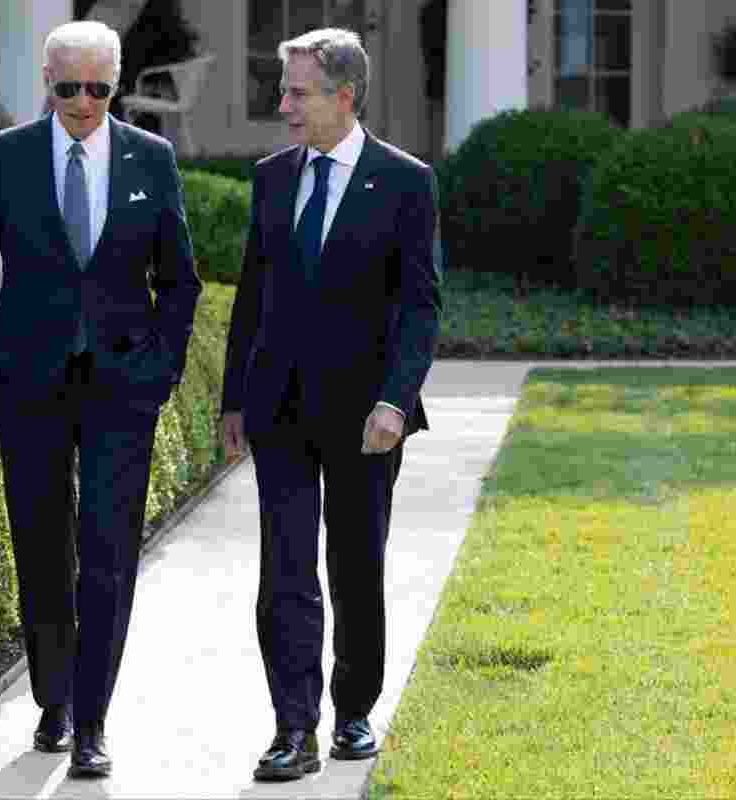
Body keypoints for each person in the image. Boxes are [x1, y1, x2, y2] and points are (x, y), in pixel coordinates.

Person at [0, 19, 201, 780]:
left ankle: (92, 721)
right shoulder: (7, 157)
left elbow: (179, 281)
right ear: (48, 84)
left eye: (99, 87)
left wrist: (158, 371)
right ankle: (52, 699)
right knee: (40, 542)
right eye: (70, 88)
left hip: (121, 388)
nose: (85, 102)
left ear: (116, 85)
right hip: (29, 385)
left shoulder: (150, 159)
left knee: (108, 550)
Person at [219, 27, 441, 781]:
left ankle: (351, 713)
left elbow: (420, 305)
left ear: (344, 97)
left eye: (297, 92)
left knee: (354, 567)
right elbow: (253, 294)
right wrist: (231, 401)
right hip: (278, 406)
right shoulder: (274, 176)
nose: (283, 105)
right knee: (283, 571)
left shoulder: (405, 180)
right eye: (283, 90)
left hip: (365, 417)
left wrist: (394, 400)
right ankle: (292, 728)